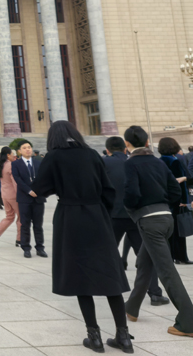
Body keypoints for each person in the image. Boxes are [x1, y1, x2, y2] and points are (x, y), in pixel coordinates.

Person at [31, 121, 131, 352]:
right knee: (109, 273)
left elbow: (39, 188)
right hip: (97, 215)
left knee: (80, 276)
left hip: (70, 217)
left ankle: (94, 337)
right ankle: (123, 336)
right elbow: (108, 189)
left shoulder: (54, 157)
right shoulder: (92, 154)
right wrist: (101, 211)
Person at [122, 126, 193, 338]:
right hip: (166, 218)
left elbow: (131, 193)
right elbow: (174, 190)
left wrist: (134, 208)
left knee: (166, 270)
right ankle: (132, 307)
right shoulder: (157, 162)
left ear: (127, 144)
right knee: (144, 262)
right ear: (146, 143)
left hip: (149, 221)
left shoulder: (131, 164)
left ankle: (188, 321)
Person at [102, 136, 167, 306]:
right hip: (136, 214)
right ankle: (155, 294)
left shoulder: (104, 163)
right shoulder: (135, 162)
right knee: (146, 255)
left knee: (107, 252)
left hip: (112, 215)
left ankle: (109, 288)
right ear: (125, 148)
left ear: (108, 150)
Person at [11, 139, 46, 258]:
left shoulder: (38, 163)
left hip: (38, 198)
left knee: (38, 225)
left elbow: (43, 178)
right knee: (25, 224)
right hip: (24, 199)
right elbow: (17, 179)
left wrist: (39, 190)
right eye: (24, 148)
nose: (27, 150)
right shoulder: (16, 164)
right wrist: (29, 191)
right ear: (19, 151)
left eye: (29, 147)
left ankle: (40, 247)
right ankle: (26, 247)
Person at [157, 137, 191, 264]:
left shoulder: (159, 161)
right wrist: (184, 200)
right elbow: (180, 184)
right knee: (178, 231)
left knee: (168, 231)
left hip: (164, 199)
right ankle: (181, 256)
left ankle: (170, 256)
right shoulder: (174, 161)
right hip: (176, 200)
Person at [0, 147, 21, 248]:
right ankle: (19, 239)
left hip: (5, 195)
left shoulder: (1, 165)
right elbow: (15, 182)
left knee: (9, 217)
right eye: (12, 154)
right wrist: (20, 194)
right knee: (21, 217)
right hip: (13, 195)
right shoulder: (11, 165)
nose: (13, 156)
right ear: (8, 155)